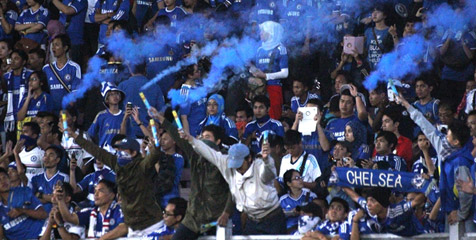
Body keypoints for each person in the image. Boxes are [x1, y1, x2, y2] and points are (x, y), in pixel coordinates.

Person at [151, 107, 234, 240]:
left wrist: (227, 212)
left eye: (207, 139)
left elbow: (234, 190)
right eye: (201, 139)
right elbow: (179, 138)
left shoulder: (224, 161)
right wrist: (161, 119)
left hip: (217, 217)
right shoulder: (194, 156)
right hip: (193, 217)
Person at [181, 133, 287, 235]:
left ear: (249, 158)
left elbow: (269, 173)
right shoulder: (226, 164)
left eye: (240, 165)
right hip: (251, 220)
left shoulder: (259, 167)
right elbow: (209, 152)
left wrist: (267, 160)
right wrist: (191, 139)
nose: (237, 168)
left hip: (272, 219)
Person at [68, 130, 168, 237]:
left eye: (123, 149)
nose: (119, 152)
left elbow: (152, 157)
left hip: (151, 224)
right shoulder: (116, 163)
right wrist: (75, 136)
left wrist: (156, 147)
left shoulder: (142, 166)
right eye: (118, 149)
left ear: (134, 153)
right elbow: (97, 151)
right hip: (132, 226)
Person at [343, 187, 426, 236]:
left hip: (417, 236)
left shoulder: (398, 210)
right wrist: (339, 178)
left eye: (372, 201)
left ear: (382, 203)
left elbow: (416, 201)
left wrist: (427, 186)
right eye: (367, 200)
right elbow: (355, 197)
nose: (368, 204)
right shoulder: (369, 208)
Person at [251, 21, 288, 120]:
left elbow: (285, 73)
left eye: (263, 31)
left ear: (271, 32)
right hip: (260, 89)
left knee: (273, 119)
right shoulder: (259, 49)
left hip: (274, 87)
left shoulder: (280, 49)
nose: (260, 34)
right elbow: (258, 69)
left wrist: (266, 76)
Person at [118, 61, 165, 139]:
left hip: (128, 136)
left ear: (130, 69)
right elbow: (161, 113)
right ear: (145, 68)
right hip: (150, 135)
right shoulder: (155, 87)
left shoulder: (122, 86)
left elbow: (116, 111)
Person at [0, 167, 47, 239]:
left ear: (9, 178)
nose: (3, 181)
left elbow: (43, 214)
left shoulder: (24, 192)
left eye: (4, 177)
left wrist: (23, 211)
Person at [42, 34, 82, 112]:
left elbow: (76, 91)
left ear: (65, 47)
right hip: (51, 112)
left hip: (67, 112)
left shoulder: (74, 67)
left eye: (57, 45)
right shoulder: (46, 68)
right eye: (52, 45)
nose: (53, 48)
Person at [88, 82, 128, 152]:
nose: (115, 96)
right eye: (111, 94)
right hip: (104, 154)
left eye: (117, 93)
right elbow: (90, 134)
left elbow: (130, 136)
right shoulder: (101, 115)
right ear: (106, 99)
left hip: (121, 153)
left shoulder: (125, 115)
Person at [31, 145, 70, 213]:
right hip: (39, 214)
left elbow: (60, 199)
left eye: (51, 155)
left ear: (57, 160)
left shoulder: (64, 177)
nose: (46, 158)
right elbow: (32, 199)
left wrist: (40, 195)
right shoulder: (36, 178)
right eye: (45, 155)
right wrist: (51, 198)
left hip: (56, 214)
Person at [3, 49, 33, 134]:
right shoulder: (6, 77)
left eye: (16, 59)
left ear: (23, 62)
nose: (12, 61)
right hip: (11, 118)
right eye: (11, 59)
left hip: (27, 117)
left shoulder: (30, 75)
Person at [52, 0, 87, 66]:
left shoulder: (81, 1)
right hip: (61, 39)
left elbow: (67, 10)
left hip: (74, 41)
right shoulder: (64, 1)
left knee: (73, 68)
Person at [179, 64, 206, 137]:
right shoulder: (185, 91)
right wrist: (188, 137)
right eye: (197, 71)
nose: (199, 72)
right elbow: (184, 117)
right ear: (190, 75)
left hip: (204, 127)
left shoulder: (199, 85)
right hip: (194, 130)